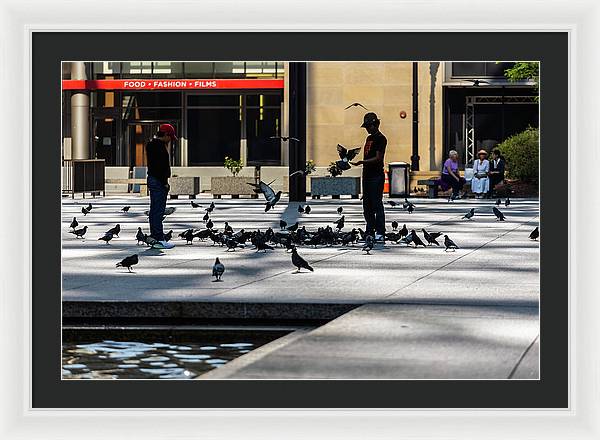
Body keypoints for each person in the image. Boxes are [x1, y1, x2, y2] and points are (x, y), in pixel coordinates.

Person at [350, 112, 387, 241]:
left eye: (369, 126)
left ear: (376, 124)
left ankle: (380, 231)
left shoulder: (381, 138)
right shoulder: (369, 139)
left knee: (377, 204)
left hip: (376, 175)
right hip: (367, 175)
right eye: (366, 127)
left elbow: (378, 158)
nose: (367, 129)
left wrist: (362, 162)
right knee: (367, 205)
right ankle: (370, 230)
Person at [146, 123, 177, 249]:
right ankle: (159, 238)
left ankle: (155, 236)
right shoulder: (159, 147)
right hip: (158, 181)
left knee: (155, 209)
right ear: (165, 134)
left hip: (153, 179)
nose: (170, 139)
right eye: (170, 136)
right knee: (158, 210)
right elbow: (159, 167)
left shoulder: (151, 145)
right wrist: (164, 182)